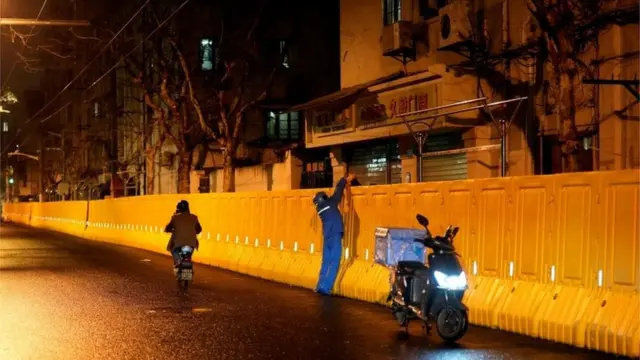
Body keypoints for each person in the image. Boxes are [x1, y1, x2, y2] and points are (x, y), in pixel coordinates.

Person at [313, 173, 355, 295]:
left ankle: (320, 285)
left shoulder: (320, 208)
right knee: (335, 260)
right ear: (324, 198)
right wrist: (345, 180)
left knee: (326, 261)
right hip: (335, 233)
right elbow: (338, 190)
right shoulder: (330, 203)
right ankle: (326, 288)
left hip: (327, 235)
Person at [164, 200, 202, 269]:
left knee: (172, 249)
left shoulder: (175, 217)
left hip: (178, 243)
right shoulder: (194, 217)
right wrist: (192, 231)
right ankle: (187, 264)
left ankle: (178, 261)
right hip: (191, 243)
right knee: (189, 255)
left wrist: (168, 230)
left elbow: (168, 228)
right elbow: (199, 229)